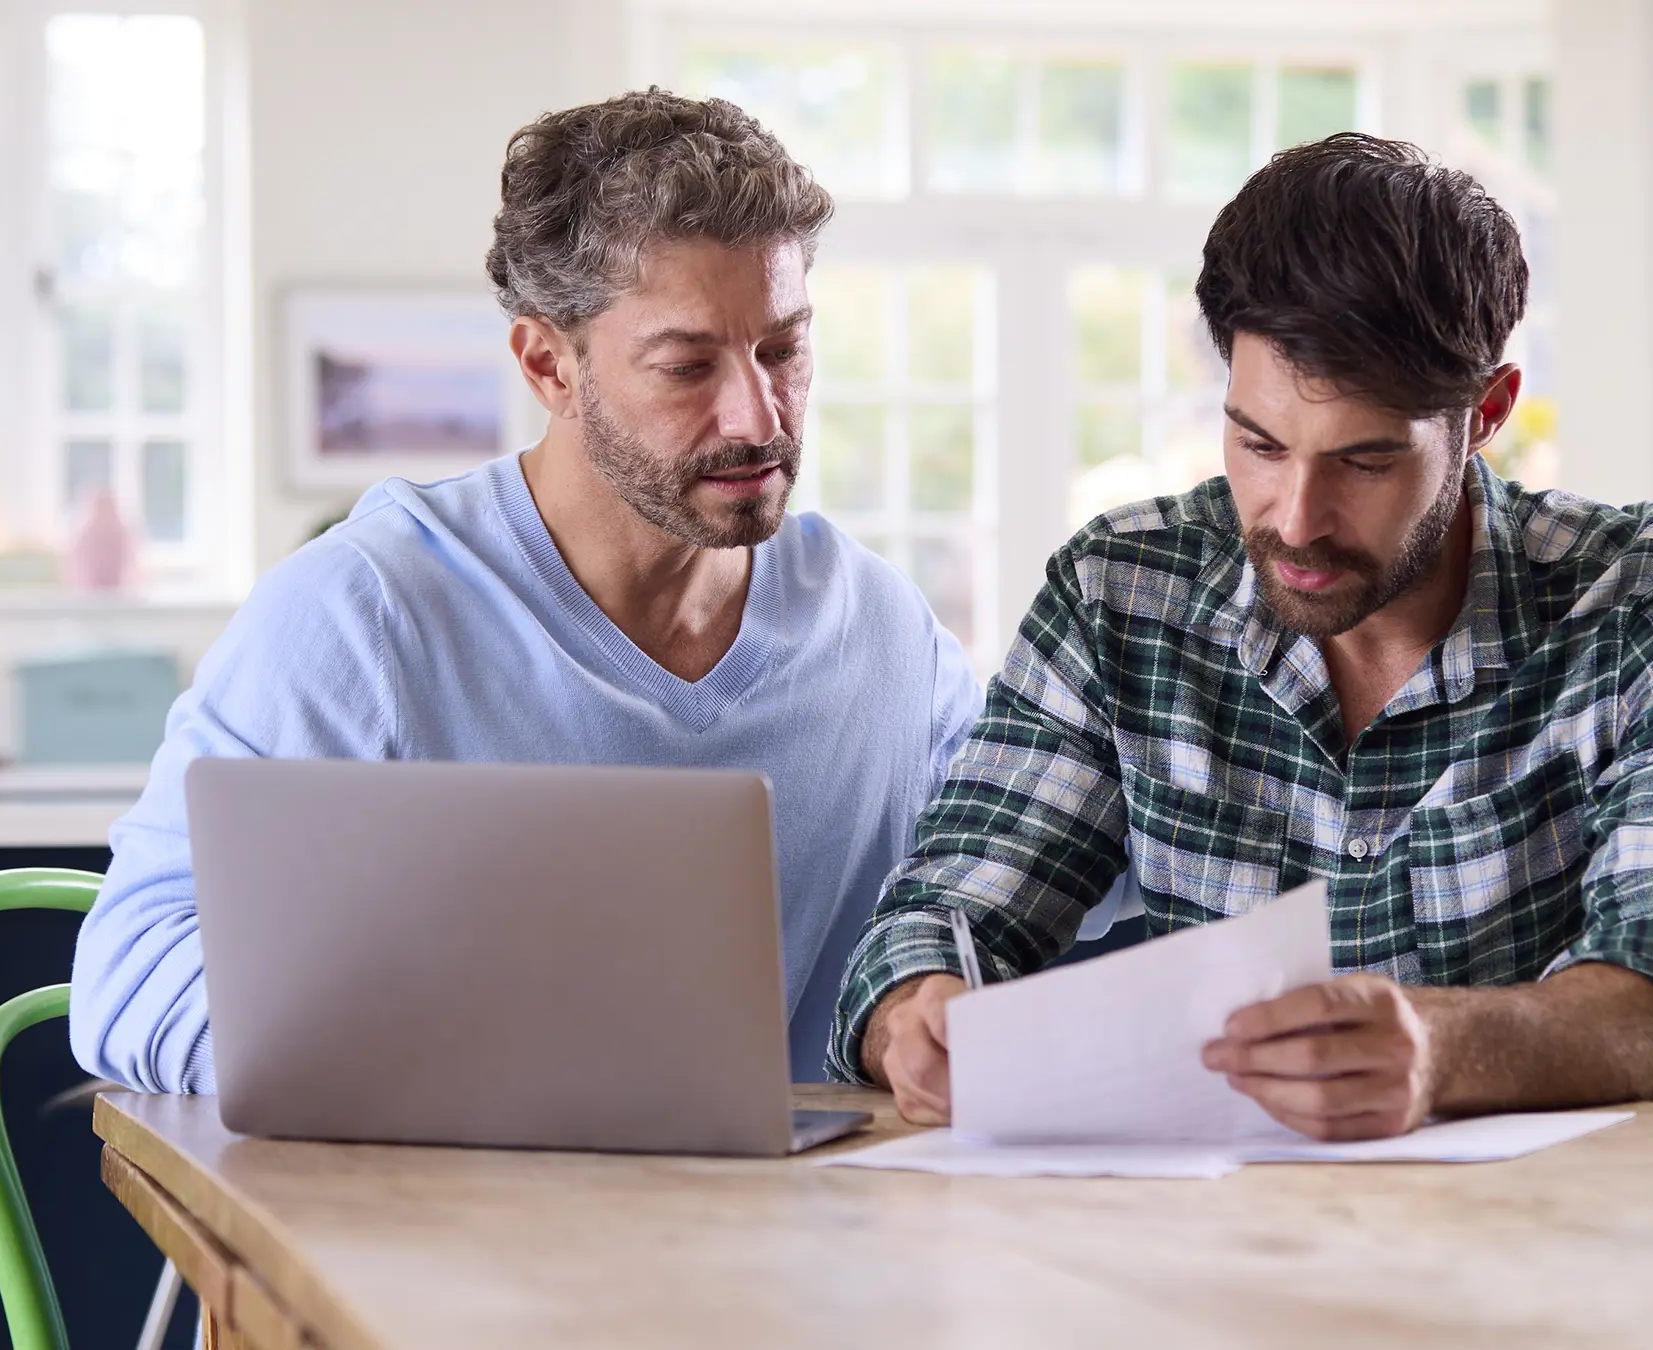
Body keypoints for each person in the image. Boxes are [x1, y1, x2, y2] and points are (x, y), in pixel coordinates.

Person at [831, 134, 1653, 1141]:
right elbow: (942, 913)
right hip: (1233, 1249)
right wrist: (917, 1011)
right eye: (1257, 443)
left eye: (1364, 462)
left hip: (1588, 1250)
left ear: (1485, 415)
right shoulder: (1120, 595)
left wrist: (1437, 1051)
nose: (1294, 519)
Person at [70, 89, 982, 1092]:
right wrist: (460, 1079)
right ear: (548, 364)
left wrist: (934, 987)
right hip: (460, 1224)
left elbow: (1011, 879)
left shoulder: (884, 634)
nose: (755, 416)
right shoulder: (360, 616)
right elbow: (132, 977)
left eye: (783, 349)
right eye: (686, 366)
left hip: (811, 1232)